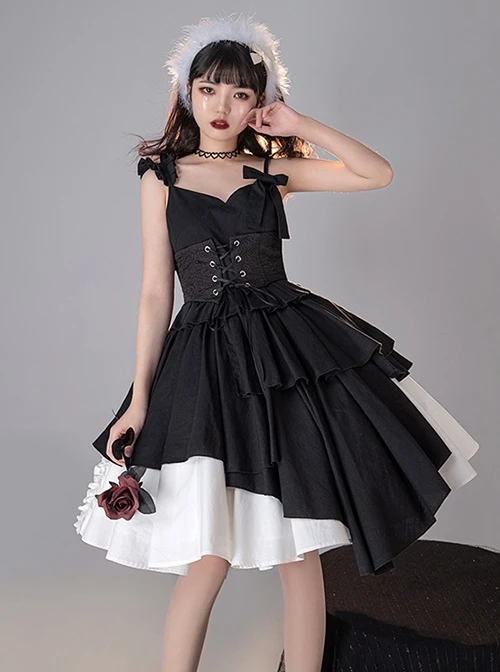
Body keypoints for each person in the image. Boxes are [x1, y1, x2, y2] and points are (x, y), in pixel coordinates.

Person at [74, 13, 480, 672]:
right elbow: (154, 292)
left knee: (300, 549)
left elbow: (376, 173)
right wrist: (139, 400)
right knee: (208, 556)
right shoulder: (161, 175)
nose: (222, 105)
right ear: (187, 92)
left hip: (286, 357)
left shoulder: (271, 170)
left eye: (240, 93)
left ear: (258, 100)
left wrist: (298, 124)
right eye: (209, 89)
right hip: (204, 365)